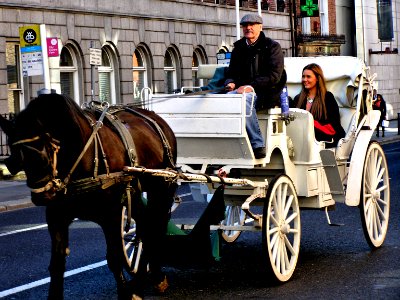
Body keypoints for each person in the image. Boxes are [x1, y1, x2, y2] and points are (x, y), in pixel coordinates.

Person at [224, 13, 286, 159]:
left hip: (266, 94)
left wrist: (250, 87)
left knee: (245, 99)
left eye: (252, 25)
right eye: (245, 25)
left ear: (260, 27)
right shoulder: (238, 48)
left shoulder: (272, 47)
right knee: (224, 99)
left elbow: (274, 76)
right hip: (241, 92)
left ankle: (257, 143)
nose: (248, 28)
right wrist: (230, 82)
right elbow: (231, 72)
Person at [293, 63, 345, 147]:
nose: (305, 79)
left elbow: (334, 125)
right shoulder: (298, 99)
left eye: (308, 77)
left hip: (325, 138)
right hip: (302, 138)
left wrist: (311, 124)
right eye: (303, 76)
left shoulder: (327, 97)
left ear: (317, 78)